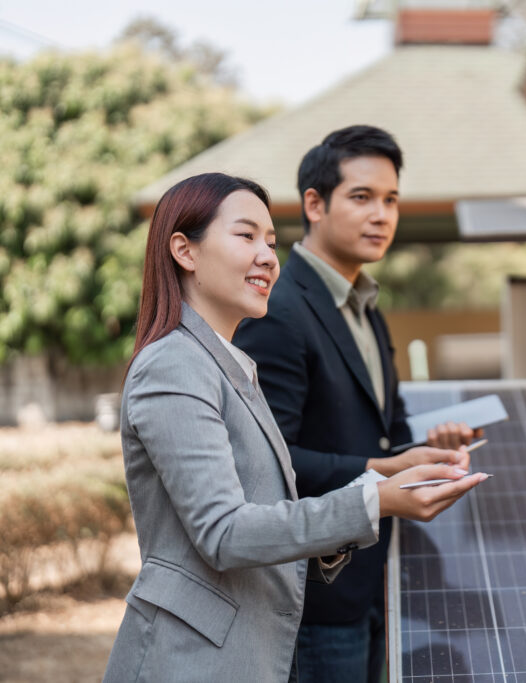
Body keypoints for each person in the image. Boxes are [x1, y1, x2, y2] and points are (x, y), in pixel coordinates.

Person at [104, 173, 487, 682]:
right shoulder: (174, 365)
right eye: (246, 236)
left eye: (271, 241)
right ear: (184, 251)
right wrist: (379, 500)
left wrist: (381, 486)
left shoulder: (230, 365)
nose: (267, 256)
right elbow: (223, 532)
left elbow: (264, 516)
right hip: (188, 662)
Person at [233, 125, 480, 682]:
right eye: (362, 197)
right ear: (314, 205)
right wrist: (379, 470)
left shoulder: (367, 306)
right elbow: (267, 463)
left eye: (391, 199)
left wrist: (426, 448)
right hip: (315, 597)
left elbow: (383, 433)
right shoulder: (279, 312)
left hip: (374, 581)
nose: (382, 215)